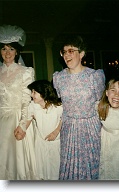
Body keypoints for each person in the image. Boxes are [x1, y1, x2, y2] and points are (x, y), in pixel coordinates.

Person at [53, 35, 105, 180]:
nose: (66, 55)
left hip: (90, 128)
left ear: (81, 53)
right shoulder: (59, 78)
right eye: (64, 52)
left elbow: (100, 102)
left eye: (71, 51)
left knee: (90, 166)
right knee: (69, 167)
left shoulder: (94, 76)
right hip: (69, 128)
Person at [0, 24, 36, 180]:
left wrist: (22, 125)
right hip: (1, 121)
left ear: (17, 51)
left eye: (11, 49)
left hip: (17, 120)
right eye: (4, 49)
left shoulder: (26, 72)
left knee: (17, 164)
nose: (7, 53)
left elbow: (27, 101)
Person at [15, 80, 63, 180]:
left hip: (55, 143)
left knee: (55, 168)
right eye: (32, 92)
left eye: (34, 92)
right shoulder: (33, 106)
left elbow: (64, 120)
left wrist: (56, 132)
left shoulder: (58, 106)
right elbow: (27, 120)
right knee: (43, 169)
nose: (32, 95)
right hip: (41, 143)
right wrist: (21, 130)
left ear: (44, 92)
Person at [97, 76, 119, 180]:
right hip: (107, 148)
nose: (117, 94)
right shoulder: (101, 108)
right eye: (113, 90)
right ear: (107, 93)